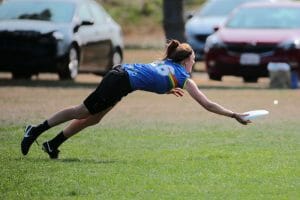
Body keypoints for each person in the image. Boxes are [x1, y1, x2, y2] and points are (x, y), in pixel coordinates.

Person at [21, 39, 250, 159]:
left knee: (94, 118)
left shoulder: (169, 65)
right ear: (185, 61)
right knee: (83, 111)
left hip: (121, 78)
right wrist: (234, 115)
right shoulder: (182, 77)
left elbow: (153, 77)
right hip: (120, 80)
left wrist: (166, 89)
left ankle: (53, 144)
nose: (194, 63)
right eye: (193, 59)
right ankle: (35, 130)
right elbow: (207, 104)